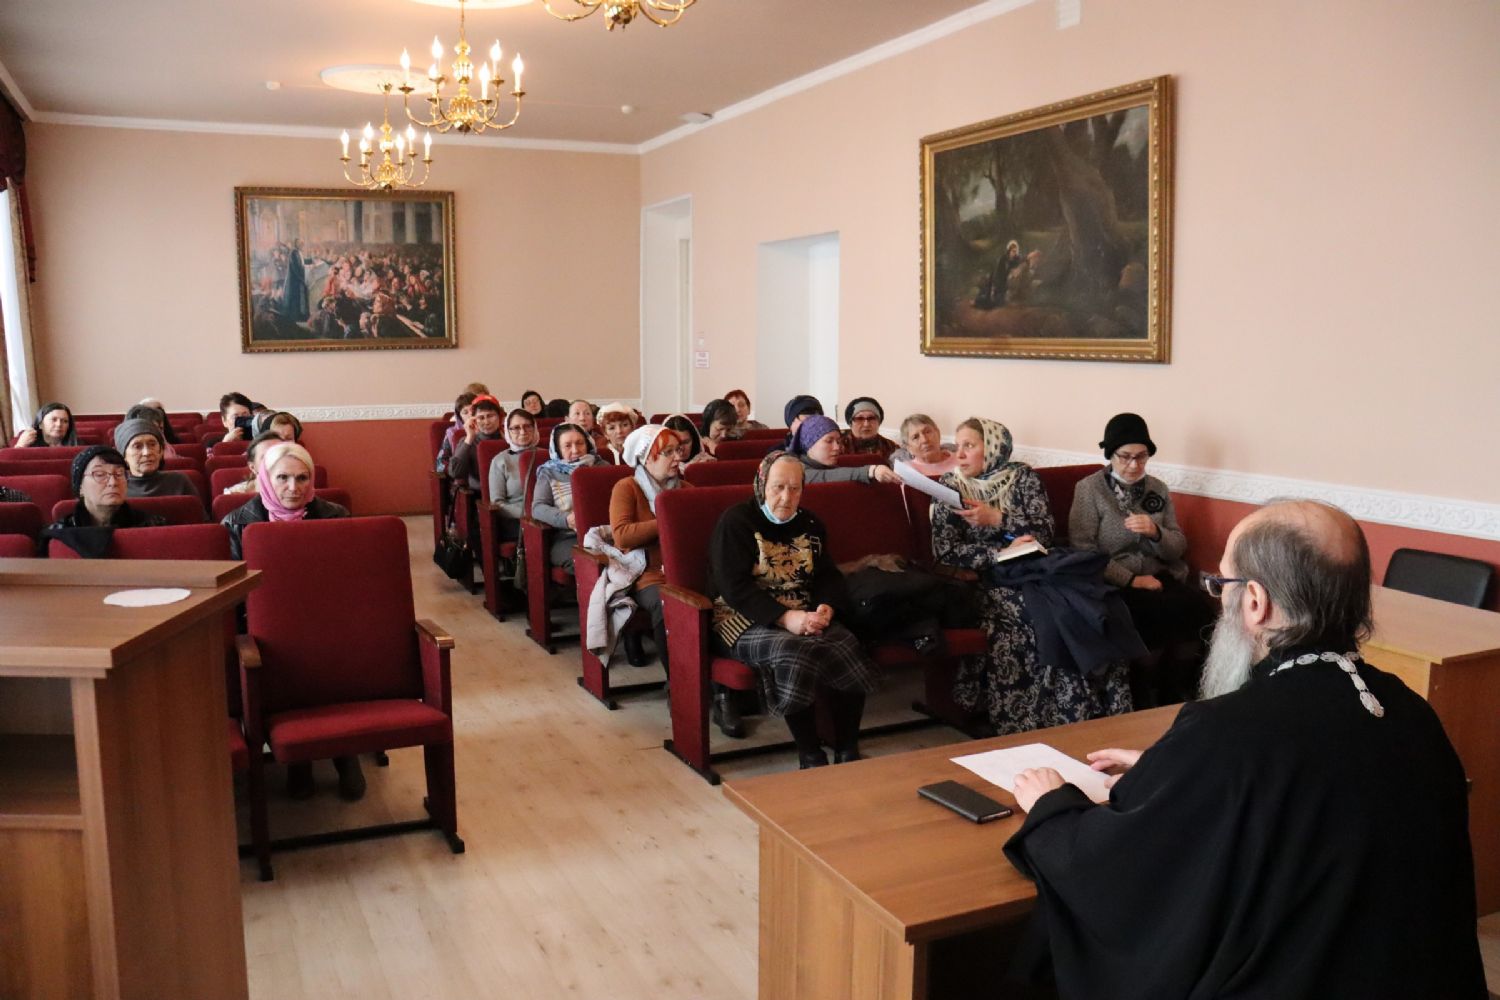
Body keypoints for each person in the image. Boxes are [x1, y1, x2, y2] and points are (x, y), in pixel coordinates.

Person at [1005, 500, 1486, 1000]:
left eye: (1221, 585)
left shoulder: (1225, 730)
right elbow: (1317, 788)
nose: (1219, 601)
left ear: (1255, 601)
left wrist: (1052, 808)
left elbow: (1116, 875)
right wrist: (1169, 768)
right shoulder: (1409, 709)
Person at [930, 418, 1132, 735]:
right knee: (1042, 620)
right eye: (957, 446)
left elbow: (1044, 532)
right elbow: (945, 551)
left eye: (969, 445)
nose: (960, 454)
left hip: (1038, 570)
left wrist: (998, 518)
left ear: (993, 448)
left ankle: (1099, 711)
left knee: (1087, 609)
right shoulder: (949, 486)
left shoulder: (1023, 477)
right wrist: (996, 554)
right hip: (986, 579)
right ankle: (1044, 717)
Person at [708, 451, 879, 767]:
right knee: (793, 651)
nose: (786, 498)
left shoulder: (810, 523)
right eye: (778, 487)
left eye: (795, 488)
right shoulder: (736, 521)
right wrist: (785, 618)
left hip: (803, 611)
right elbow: (733, 587)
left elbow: (827, 575)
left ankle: (847, 747)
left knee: (844, 642)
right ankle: (810, 753)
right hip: (743, 617)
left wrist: (826, 607)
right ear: (762, 484)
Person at [221, 442, 358, 801]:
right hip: (262, 624)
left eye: (302, 478)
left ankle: (345, 752)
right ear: (265, 479)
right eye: (282, 478)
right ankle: (301, 757)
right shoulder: (237, 522)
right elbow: (234, 592)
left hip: (326, 620)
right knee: (280, 654)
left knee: (332, 653)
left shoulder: (335, 515)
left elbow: (349, 580)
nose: (293, 488)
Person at [1068, 413, 1216, 704]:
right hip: (1114, 580)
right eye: (1125, 457)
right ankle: (1144, 696)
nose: (1134, 465)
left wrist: (1156, 532)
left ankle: (1177, 691)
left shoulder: (1157, 488)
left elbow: (1177, 547)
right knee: (1150, 614)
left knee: (1196, 609)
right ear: (1111, 454)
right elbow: (1083, 551)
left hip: (1160, 574)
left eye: (1141, 457)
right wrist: (1132, 580)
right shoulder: (1089, 489)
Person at [609, 425, 689, 674]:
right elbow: (622, 536)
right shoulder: (627, 487)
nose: (677, 457)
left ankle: (713, 684)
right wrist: (667, 518)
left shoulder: (686, 490)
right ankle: (678, 683)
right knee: (667, 605)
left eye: (678, 450)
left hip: (685, 571)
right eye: (668, 452)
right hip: (647, 574)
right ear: (646, 458)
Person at [40, 445, 166, 557]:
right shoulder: (59, 532)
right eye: (100, 474)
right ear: (80, 487)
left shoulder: (151, 526)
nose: (113, 482)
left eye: (119, 474)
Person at [530, 422, 600, 573]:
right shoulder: (549, 472)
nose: (575, 450)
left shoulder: (602, 466)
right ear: (558, 449)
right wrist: (566, 519)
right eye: (567, 446)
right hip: (568, 537)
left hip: (605, 534)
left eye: (580, 443)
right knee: (592, 564)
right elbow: (538, 508)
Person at [788, 415, 899, 485]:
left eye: (838, 441)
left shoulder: (827, 464)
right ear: (809, 445)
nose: (837, 447)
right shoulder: (791, 468)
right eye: (829, 441)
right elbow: (823, 476)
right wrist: (871, 471)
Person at [488, 408, 540, 546]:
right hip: (516, 520)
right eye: (516, 428)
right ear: (508, 431)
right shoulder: (500, 461)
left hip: (548, 516)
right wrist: (529, 514)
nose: (523, 432)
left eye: (527, 426)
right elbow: (497, 503)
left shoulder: (548, 456)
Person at [114, 418, 198, 500]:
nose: (147, 452)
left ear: (161, 451)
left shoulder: (179, 482)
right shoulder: (115, 488)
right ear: (123, 455)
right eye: (137, 447)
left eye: (152, 445)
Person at [446, 395, 504, 493]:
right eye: (481, 418)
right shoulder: (467, 441)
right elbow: (455, 472)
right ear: (474, 420)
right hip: (480, 494)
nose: (486, 422)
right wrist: (469, 438)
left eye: (490, 416)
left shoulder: (509, 438)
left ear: (500, 417)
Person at [889, 413, 958, 475]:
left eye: (927, 432)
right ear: (908, 447)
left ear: (938, 433)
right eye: (915, 437)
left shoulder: (960, 459)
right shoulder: (906, 471)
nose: (924, 440)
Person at [222, 430, 282, 495]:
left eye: (281, 455)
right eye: (266, 457)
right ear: (252, 467)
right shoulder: (234, 495)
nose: (275, 461)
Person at [434, 391, 478, 473]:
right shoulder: (452, 433)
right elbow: (440, 466)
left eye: (474, 410)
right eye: (465, 412)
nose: (471, 414)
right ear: (460, 417)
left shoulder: (489, 428)